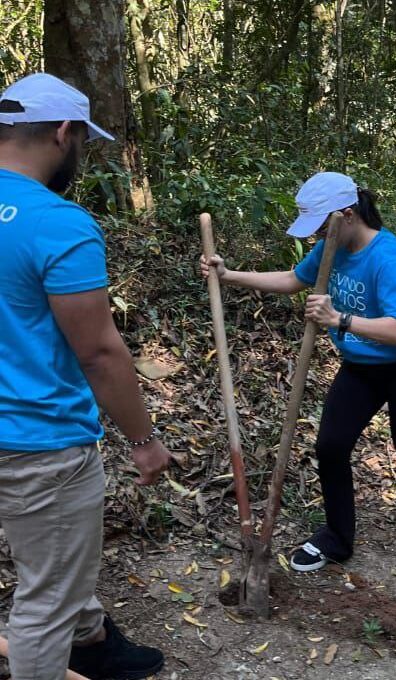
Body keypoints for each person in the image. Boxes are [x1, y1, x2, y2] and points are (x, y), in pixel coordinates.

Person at [200, 172, 396, 579]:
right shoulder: (330, 246)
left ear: (347, 215)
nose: (317, 236)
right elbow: (291, 280)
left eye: (320, 226)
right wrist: (227, 275)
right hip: (362, 367)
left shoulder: (386, 256)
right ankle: (337, 537)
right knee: (331, 446)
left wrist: (340, 319)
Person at [0, 73, 170, 680]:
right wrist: (144, 442)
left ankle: (93, 640)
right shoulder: (58, 223)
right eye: (83, 142)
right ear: (65, 132)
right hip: (39, 444)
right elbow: (99, 352)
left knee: (56, 561)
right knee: (42, 602)